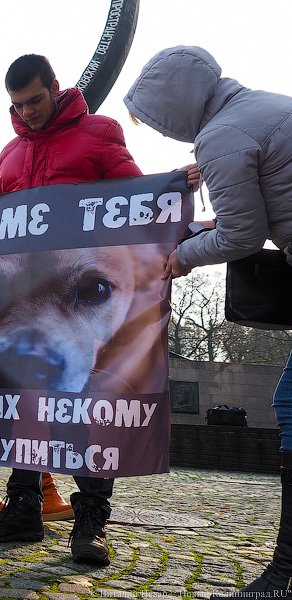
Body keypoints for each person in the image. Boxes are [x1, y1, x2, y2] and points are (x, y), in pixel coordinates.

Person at [0, 54, 198, 566]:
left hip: (78, 288)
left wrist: (174, 192)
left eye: (34, 100)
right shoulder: (9, 154)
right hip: (16, 301)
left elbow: (136, 200)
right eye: (17, 105)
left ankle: (90, 524)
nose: (27, 112)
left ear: (55, 87)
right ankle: (23, 509)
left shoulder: (99, 133)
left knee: (86, 421)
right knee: (16, 417)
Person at [125, 45, 292, 596]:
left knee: (291, 403)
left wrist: (182, 258)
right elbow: (251, 215)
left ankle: (286, 571)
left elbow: (241, 234)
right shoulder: (265, 107)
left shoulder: (221, 136)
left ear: (175, 104)